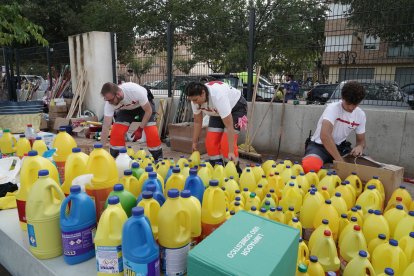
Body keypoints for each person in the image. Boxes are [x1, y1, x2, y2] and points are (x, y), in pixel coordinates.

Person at [302, 80, 366, 173]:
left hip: (340, 148)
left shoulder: (361, 115)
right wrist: (340, 161)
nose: (351, 108)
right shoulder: (333, 108)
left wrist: (360, 147)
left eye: (355, 105)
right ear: (342, 98)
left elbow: (361, 141)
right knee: (310, 166)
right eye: (348, 104)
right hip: (319, 147)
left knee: (367, 164)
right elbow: (325, 136)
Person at [185, 81, 247, 170]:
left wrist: (231, 151)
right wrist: (194, 142)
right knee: (211, 142)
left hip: (236, 108)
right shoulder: (195, 100)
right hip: (216, 111)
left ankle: (234, 171)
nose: (194, 103)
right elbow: (198, 122)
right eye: (191, 100)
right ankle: (217, 169)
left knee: (226, 145)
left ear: (203, 93)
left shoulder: (218, 97)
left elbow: (229, 126)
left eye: (195, 100)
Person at [100, 82, 163, 160]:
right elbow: (106, 126)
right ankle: (119, 158)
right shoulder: (109, 104)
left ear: (118, 94)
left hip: (143, 106)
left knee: (151, 130)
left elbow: (148, 111)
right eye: (107, 100)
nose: (109, 103)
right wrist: (100, 149)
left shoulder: (135, 91)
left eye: (110, 100)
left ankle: (158, 158)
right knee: (117, 131)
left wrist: (140, 129)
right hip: (127, 109)